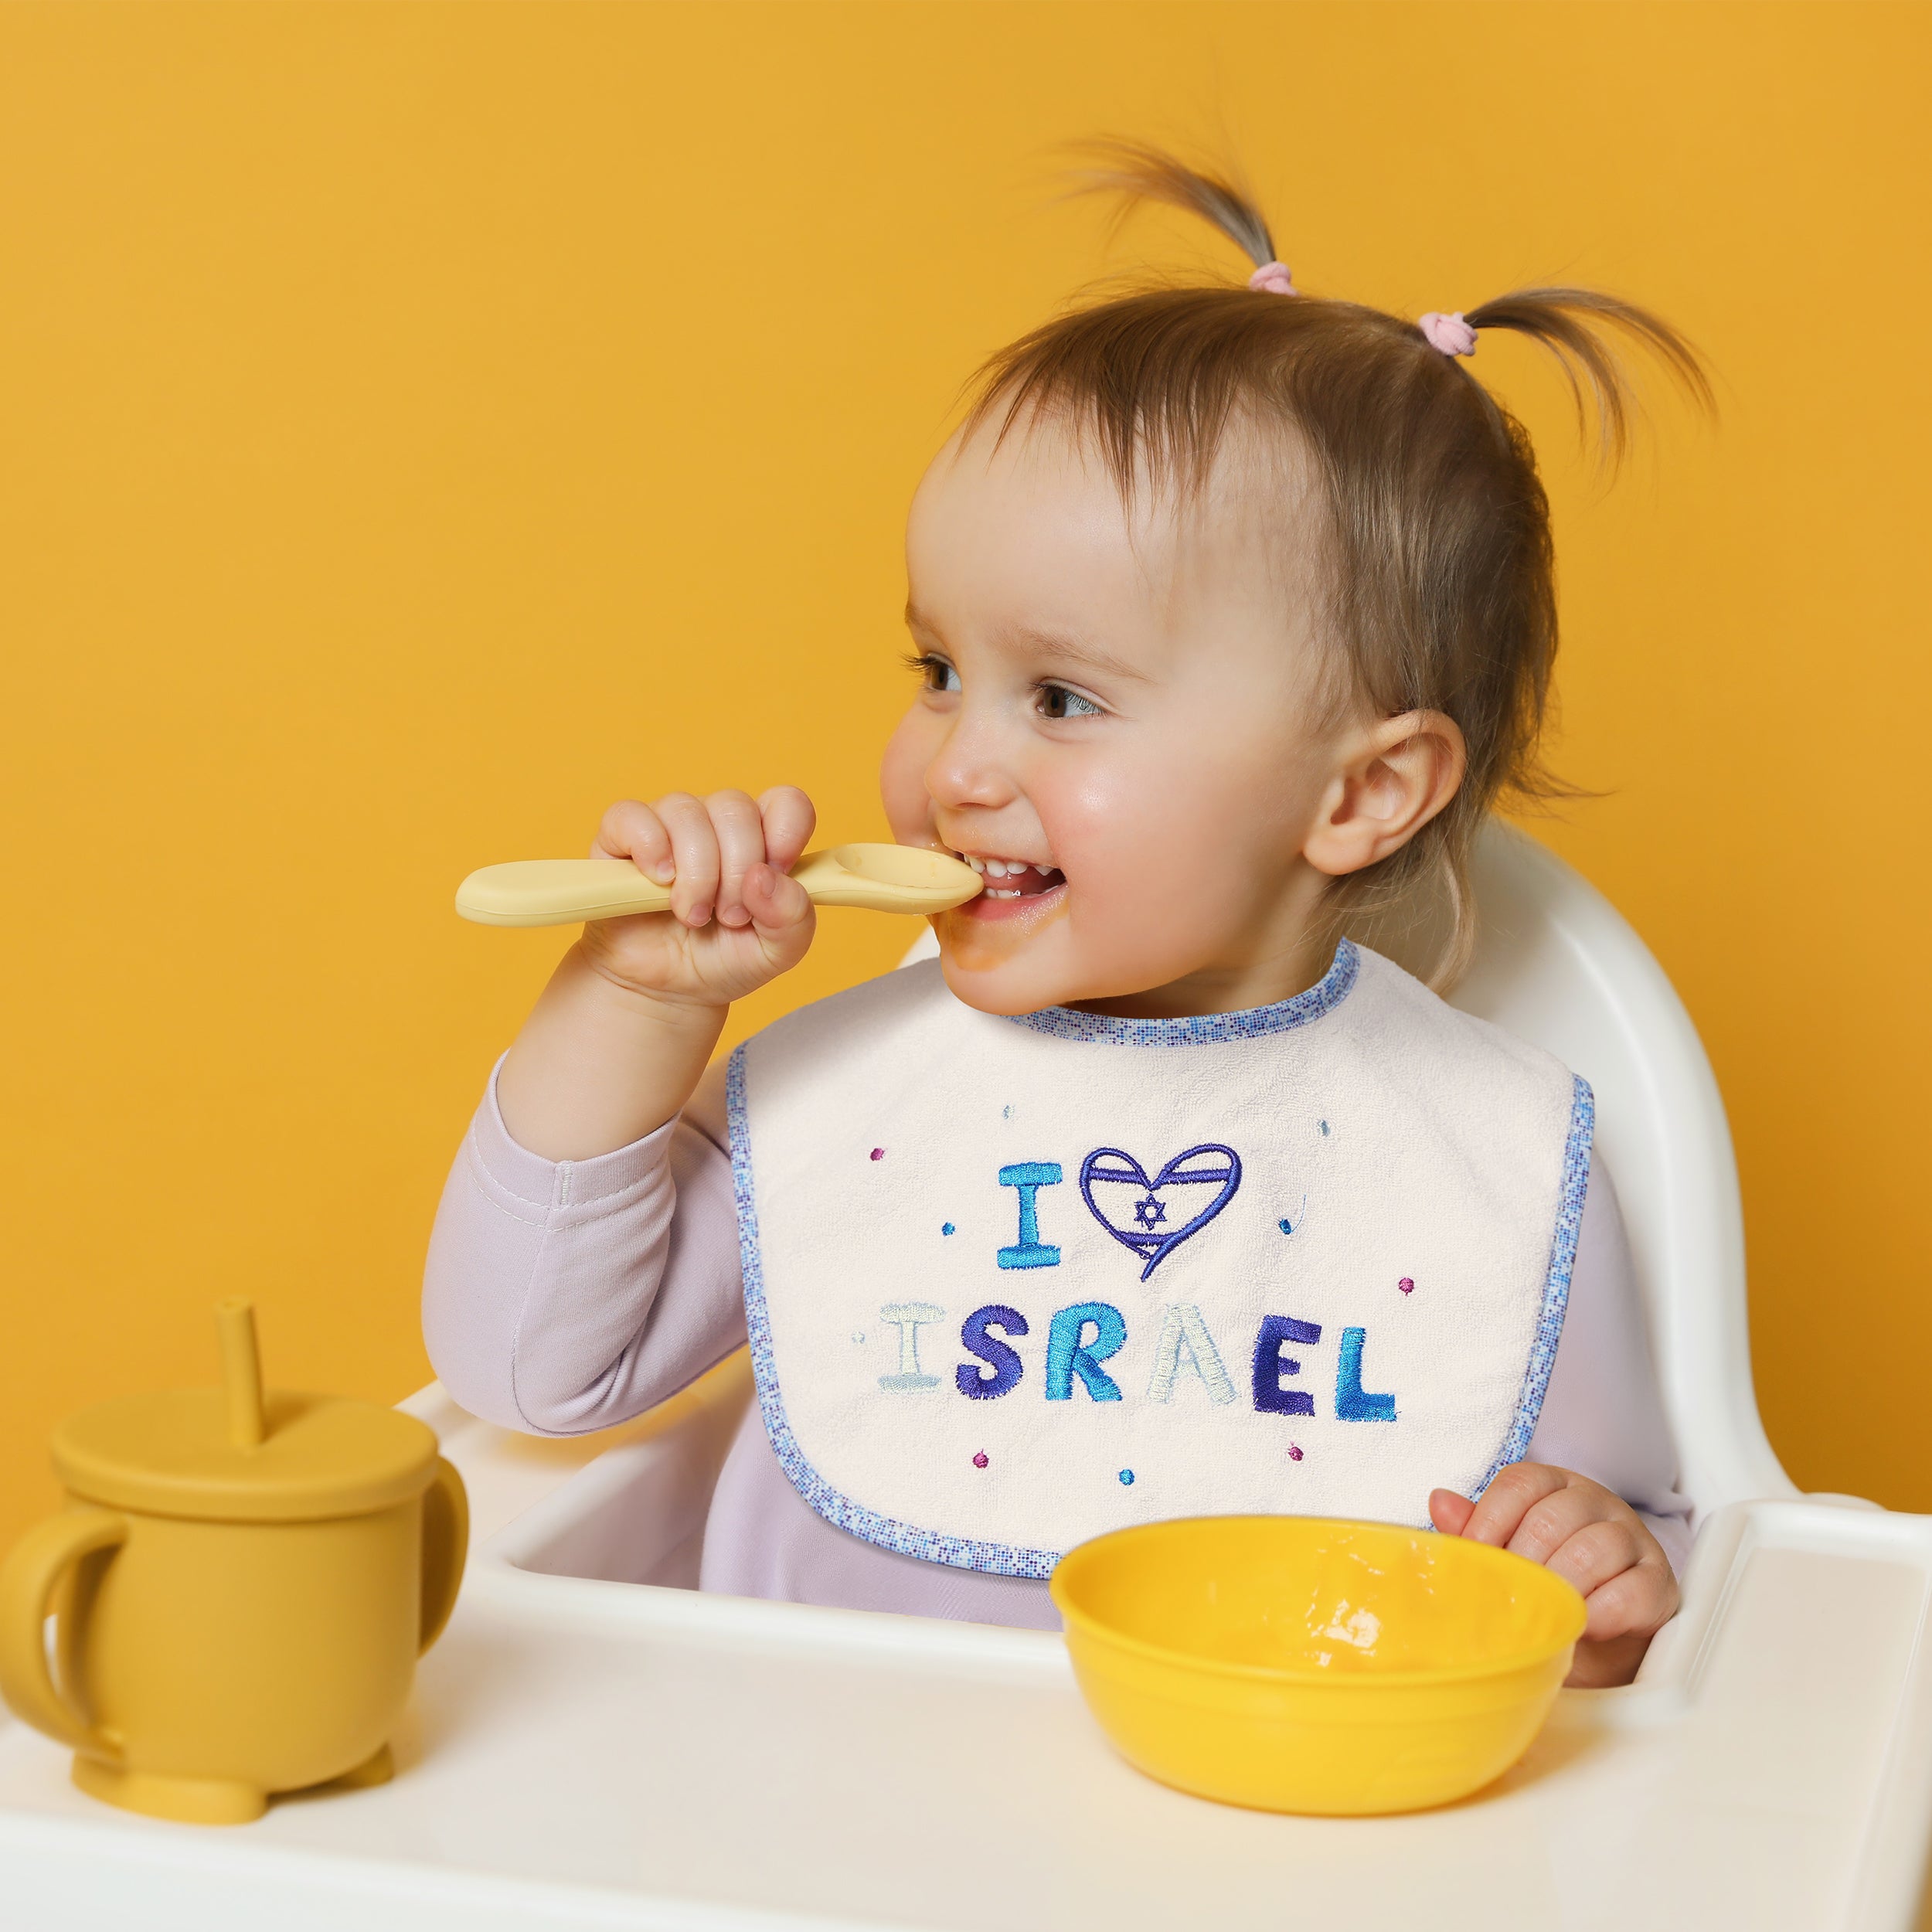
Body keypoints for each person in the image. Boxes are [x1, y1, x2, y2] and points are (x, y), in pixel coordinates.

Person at [425, 144, 1704, 1686]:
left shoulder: (1485, 1149)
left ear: (1362, 795)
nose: (956, 763)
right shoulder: (851, 1092)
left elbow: (1626, 1545)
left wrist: (1592, 1566)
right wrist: (632, 1003)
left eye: (1062, 696)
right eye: (936, 671)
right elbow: (523, 1374)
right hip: (793, 1812)